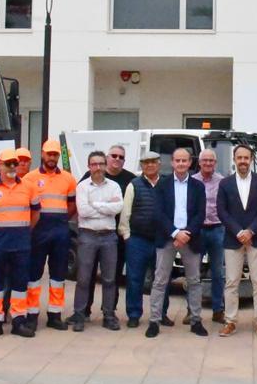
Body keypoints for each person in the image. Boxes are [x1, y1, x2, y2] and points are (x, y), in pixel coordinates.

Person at [0, 149, 41, 339]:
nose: (12, 167)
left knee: (20, 284)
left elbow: (36, 213)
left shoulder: (28, 187)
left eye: (14, 163)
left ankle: (18, 321)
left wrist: (25, 230)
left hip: (21, 244)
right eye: (7, 163)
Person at [147, 148, 208, 338]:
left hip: (191, 237)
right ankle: (154, 321)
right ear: (172, 163)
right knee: (160, 280)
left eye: (184, 161)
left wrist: (186, 233)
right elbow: (158, 213)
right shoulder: (162, 185)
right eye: (177, 160)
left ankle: (196, 320)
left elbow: (201, 214)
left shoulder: (198, 186)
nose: (181, 164)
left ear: (190, 163)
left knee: (194, 281)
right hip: (167, 238)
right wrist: (175, 233)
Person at [217, 145, 257, 337]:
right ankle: (230, 321)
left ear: (251, 159)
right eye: (239, 157)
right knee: (232, 282)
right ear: (234, 159)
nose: (243, 161)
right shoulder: (225, 183)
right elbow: (221, 211)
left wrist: (250, 230)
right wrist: (238, 231)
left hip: (256, 237)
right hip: (233, 239)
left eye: (246, 158)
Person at [23, 139, 78, 331]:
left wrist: (61, 219)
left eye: (55, 154)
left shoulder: (68, 178)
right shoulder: (29, 178)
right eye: (49, 154)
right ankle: (31, 314)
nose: (52, 157)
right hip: (38, 231)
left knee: (58, 275)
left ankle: (55, 314)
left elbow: (72, 204)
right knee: (34, 275)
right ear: (42, 154)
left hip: (60, 231)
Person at [72, 150, 124, 332]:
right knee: (84, 278)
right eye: (94, 164)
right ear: (89, 167)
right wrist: (106, 207)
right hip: (87, 235)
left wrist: (97, 205)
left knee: (110, 279)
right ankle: (79, 315)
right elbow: (83, 211)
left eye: (101, 164)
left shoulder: (115, 186)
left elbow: (118, 207)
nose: (98, 167)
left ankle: (108, 315)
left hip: (109, 236)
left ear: (106, 165)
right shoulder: (82, 187)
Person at [84, 145, 135, 320]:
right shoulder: (87, 178)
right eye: (114, 155)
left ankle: (109, 311)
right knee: (87, 275)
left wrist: (96, 205)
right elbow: (82, 207)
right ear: (107, 157)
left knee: (112, 276)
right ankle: (84, 311)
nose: (117, 159)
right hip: (90, 233)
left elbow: (122, 207)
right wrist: (108, 207)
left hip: (116, 236)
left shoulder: (130, 179)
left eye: (121, 157)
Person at [120, 152, 166, 328]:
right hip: (137, 240)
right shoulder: (134, 185)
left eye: (153, 162)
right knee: (134, 279)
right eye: (146, 163)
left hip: (161, 240)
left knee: (162, 280)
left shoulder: (166, 184)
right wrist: (127, 236)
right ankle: (133, 314)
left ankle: (161, 313)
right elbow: (126, 212)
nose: (150, 166)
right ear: (142, 165)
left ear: (159, 164)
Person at [193, 149, 227, 325]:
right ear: (199, 163)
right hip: (197, 230)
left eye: (211, 161)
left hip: (217, 229)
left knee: (218, 272)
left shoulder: (222, 182)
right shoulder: (192, 181)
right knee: (193, 272)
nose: (207, 163)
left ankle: (218, 310)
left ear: (215, 163)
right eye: (204, 160)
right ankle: (192, 311)